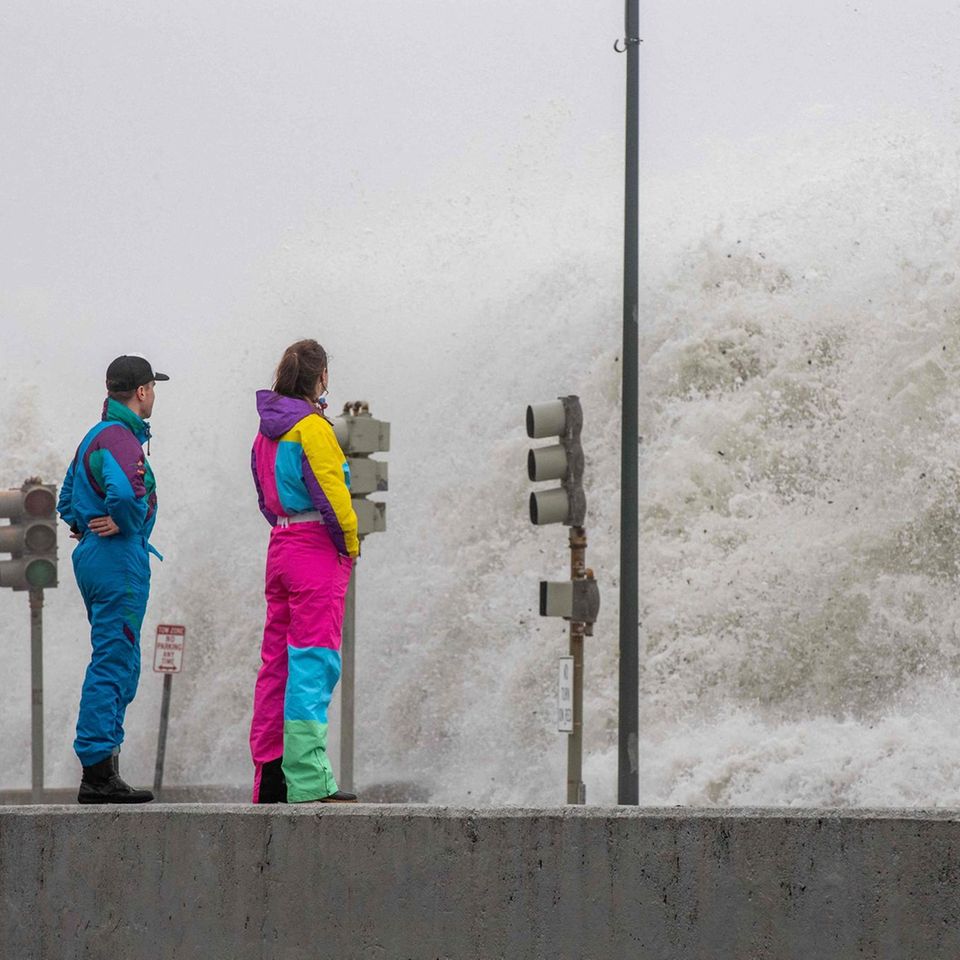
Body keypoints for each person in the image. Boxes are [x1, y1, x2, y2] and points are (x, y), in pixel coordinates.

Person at [249, 338, 359, 803]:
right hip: (315, 552)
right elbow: (334, 500)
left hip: (281, 546)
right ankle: (310, 781)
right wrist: (349, 547)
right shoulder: (313, 429)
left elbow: (263, 495)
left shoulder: (265, 432)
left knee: (275, 665)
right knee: (312, 663)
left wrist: (286, 529)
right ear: (321, 378)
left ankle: (269, 777)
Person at [57, 355, 169, 803]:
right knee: (114, 659)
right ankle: (99, 773)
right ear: (141, 392)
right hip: (118, 559)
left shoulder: (93, 436)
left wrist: (84, 522)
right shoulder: (121, 438)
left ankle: (106, 766)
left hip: (94, 558)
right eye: (152, 388)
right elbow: (125, 494)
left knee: (117, 656)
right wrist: (124, 522)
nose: (154, 395)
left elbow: (66, 496)